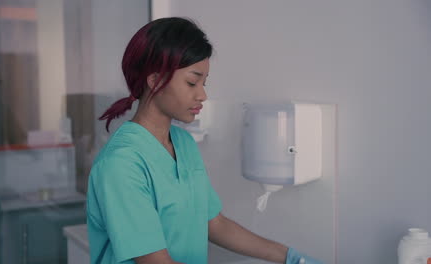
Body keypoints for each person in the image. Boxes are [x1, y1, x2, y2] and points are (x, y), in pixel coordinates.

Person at [86, 17, 323, 264]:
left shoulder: (183, 143)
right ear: (154, 80)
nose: (202, 94)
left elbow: (214, 223)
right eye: (192, 82)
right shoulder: (121, 165)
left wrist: (290, 257)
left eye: (204, 83)